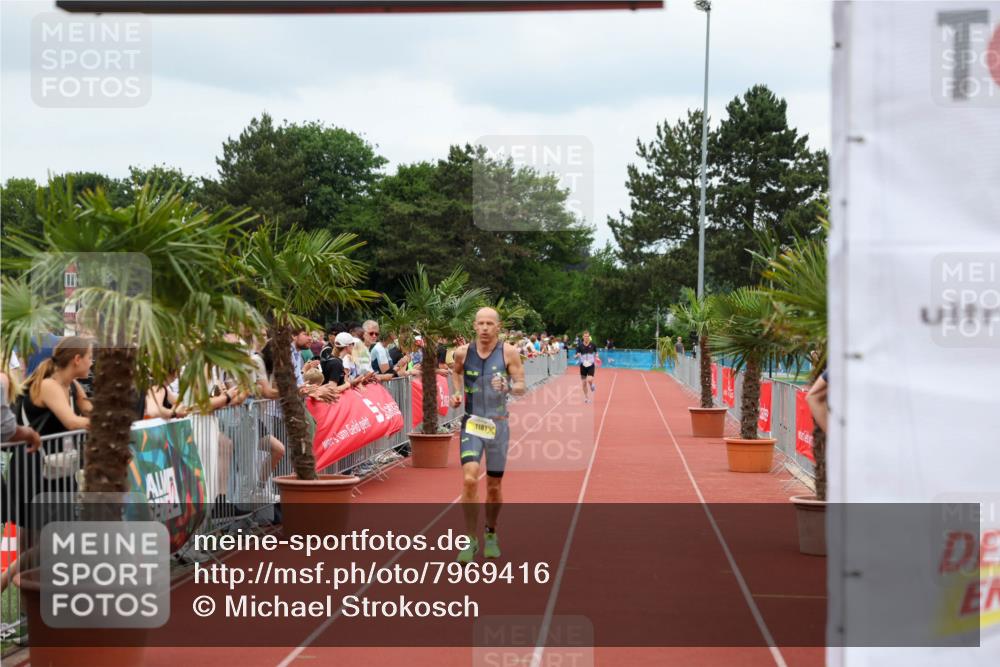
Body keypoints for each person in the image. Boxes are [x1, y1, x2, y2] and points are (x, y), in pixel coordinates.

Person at [450, 307, 526, 563]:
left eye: (489, 324)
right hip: (472, 423)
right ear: (474, 326)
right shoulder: (463, 352)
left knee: (493, 487)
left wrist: (508, 386)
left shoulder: (509, 353)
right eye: (480, 323)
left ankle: (490, 532)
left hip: (498, 426)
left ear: (498, 327)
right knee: (470, 479)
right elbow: (456, 372)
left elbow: (521, 386)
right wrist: (456, 393)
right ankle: (470, 540)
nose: (484, 328)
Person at [575, 330, 599, 403]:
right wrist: (577, 355)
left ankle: (591, 385)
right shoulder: (579, 346)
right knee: (584, 383)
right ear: (583, 337)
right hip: (583, 366)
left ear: (589, 337)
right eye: (585, 336)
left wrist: (597, 357)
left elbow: (596, 352)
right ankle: (586, 398)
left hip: (591, 365)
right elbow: (576, 355)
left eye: (587, 336)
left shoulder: (593, 345)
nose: (586, 337)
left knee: (589, 380)